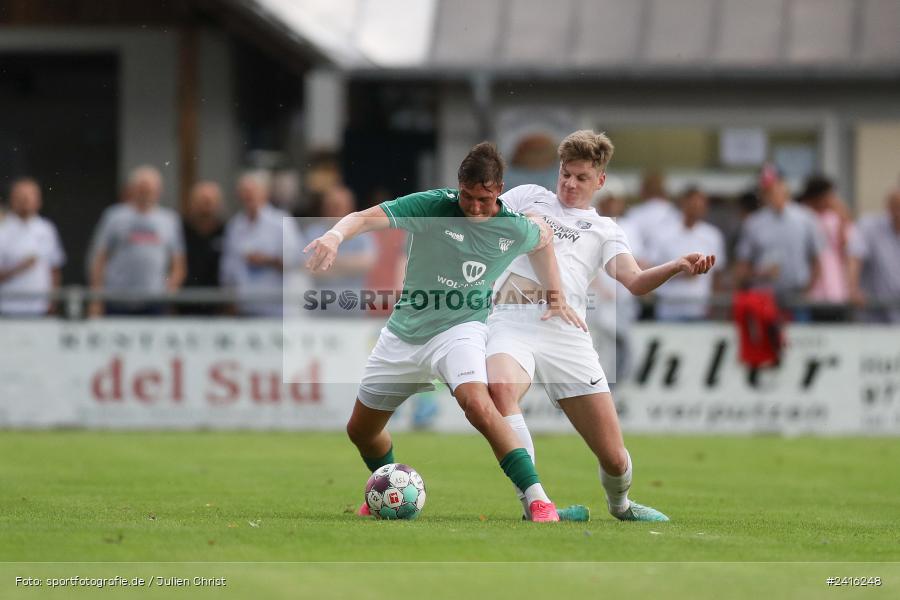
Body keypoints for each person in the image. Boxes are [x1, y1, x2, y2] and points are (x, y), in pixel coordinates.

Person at [304, 142, 585, 522]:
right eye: (467, 196)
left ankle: (537, 500)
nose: (473, 207)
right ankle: (387, 487)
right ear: (459, 187)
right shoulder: (433, 206)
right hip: (403, 334)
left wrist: (556, 295)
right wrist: (335, 236)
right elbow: (365, 218)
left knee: (477, 404)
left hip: (459, 329)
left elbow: (544, 240)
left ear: (499, 189)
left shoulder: (514, 227)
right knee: (361, 431)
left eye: (484, 199)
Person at [486, 130, 715, 522]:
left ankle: (621, 506)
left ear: (600, 181)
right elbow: (483, 224)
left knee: (613, 456)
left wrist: (677, 266)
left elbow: (635, 281)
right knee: (500, 389)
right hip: (511, 320)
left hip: (566, 332)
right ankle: (536, 503)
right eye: (565, 174)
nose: (570, 184)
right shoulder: (528, 197)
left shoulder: (605, 229)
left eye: (581, 177)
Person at [88, 166, 185, 316]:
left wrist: (170, 292)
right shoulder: (114, 216)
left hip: (155, 301)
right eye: (141, 189)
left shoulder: (169, 220)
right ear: (131, 189)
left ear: (159, 190)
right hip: (117, 300)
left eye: (150, 189)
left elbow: (178, 263)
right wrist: (96, 298)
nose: (145, 193)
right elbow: (99, 258)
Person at [734, 165, 824, 321]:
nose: (772, 193)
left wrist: (807, 290)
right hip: (762, 297)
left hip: (796, 297)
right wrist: (758, 274)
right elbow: (742, 268)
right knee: (764, 344)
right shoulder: (754, 223)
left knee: (799, 342)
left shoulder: (806, 218)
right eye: (766, 189)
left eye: (775, 187)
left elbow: (817, 262)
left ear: (784, 187)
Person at [220, 172, 302, 317]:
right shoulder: (235, 225)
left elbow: (295, 260)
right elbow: (228, 268)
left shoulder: (282, 221)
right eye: (244, 192)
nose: (248, 196)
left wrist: (266, 260)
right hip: (244, 307)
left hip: (275, 308)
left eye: (252, 192)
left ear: (264, 193)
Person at [651, 186, 727, 321]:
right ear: (683, 203)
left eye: (701, 204)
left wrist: (714, 307)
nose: (697, 208)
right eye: (694, 204)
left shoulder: (712, 235)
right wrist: (680, 273)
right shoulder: (663, 233)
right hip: (669, 310)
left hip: (700, 310)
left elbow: (717, 275)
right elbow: (651, 269)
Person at [304, 185, 376, 317]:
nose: (334, 210)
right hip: (320, 310)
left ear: (350, 207)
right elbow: (309, 267)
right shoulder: (313, 232)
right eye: (330, 206)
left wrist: (328, 261)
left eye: (338, 206)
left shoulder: (363, 233)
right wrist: (349, 265)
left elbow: (366, 263)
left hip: (353, 310)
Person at [0, 178, 66, 316]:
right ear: (12, 199)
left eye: (30, 195)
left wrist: (52, 301)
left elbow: (55, 268)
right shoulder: (3, 228)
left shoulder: (46, 229)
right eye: (21, 196)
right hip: (7, 307)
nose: (25, 200)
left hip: (39, 308)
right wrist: (19, 267)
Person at [798, 175, 852, 321]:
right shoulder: (802, 217)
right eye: (828, 195)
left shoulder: (833, 217)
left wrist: (842, 213)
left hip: (835, 289)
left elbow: (846, 244)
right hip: (811, 289)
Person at [848, 188, 900, 323]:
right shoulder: (869, 226)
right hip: (873, 314)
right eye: (896, 207)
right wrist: (853, 288)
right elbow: (855, 256)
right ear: (888, 207)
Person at [180, 181, 226, 315]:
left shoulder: (226, 231)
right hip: (184, 305)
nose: (206, 206)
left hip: (218, 307)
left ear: (218, 203)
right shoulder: (180, 230)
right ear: (192, 203)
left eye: (210, 201)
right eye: (202, 201)